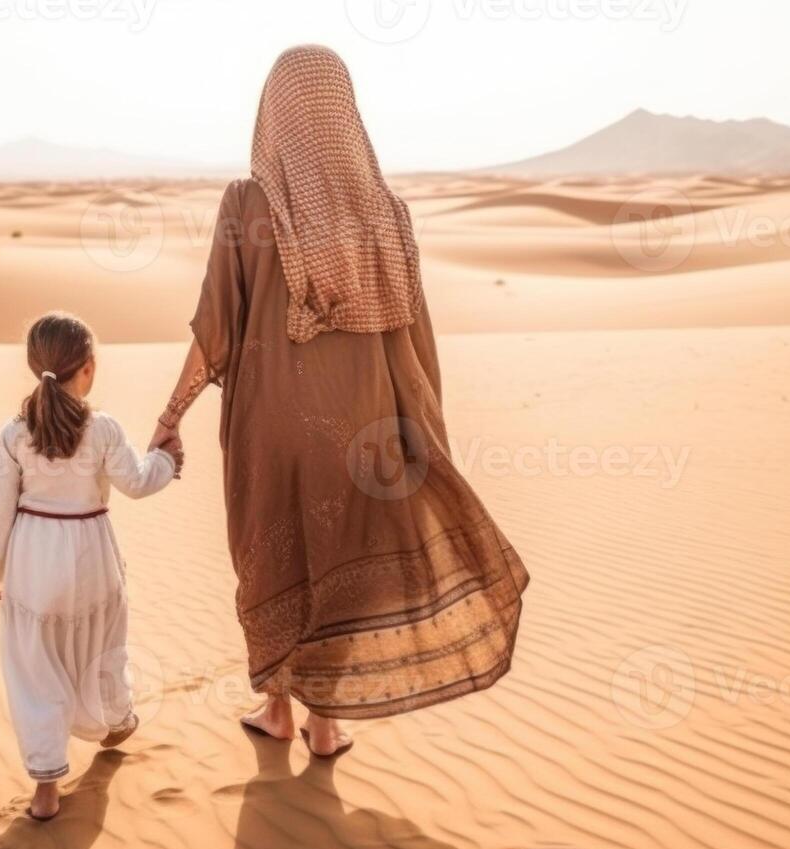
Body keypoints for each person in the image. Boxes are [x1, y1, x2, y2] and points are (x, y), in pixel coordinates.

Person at [150, 45, 530, 756]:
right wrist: (425, 434)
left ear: (274, 113)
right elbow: (415, 339)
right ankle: (327, 725)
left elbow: (214, 330)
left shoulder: (249, 203)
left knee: (272, 557)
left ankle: (278, 712)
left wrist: (171, 416)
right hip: (368, 430)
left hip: (271, 429)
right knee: (339, 565)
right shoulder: (387, 212)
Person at [0, 312, 182, 820]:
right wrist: (168, 462)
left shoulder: (13, 433)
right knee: (103, 647)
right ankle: (115, 721)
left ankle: (47, 788)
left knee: (34, 667)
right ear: (87, 369)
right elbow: (136, 482)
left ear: (35, 366)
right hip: (93, 558)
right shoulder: (104, 428)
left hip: (33, 560)